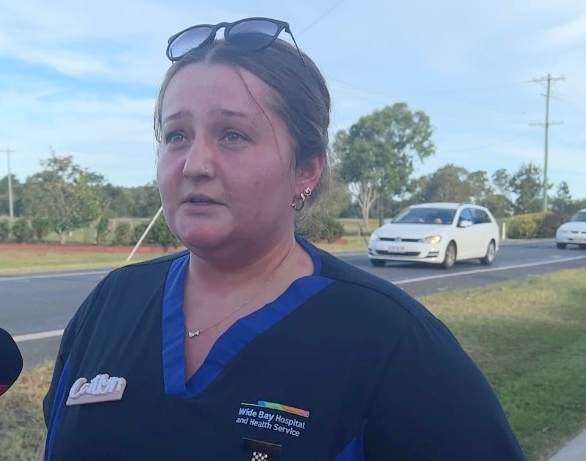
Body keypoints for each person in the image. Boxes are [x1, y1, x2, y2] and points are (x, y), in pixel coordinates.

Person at [41, 17, 527, 460]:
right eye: (176, 136)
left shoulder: (393, 343)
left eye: (233, 135)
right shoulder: (111, 303)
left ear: (306, 169)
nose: (194, 164)